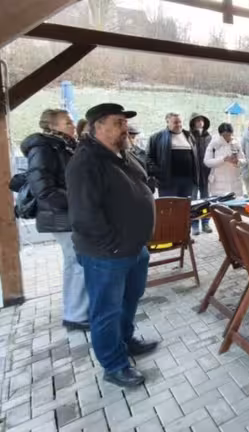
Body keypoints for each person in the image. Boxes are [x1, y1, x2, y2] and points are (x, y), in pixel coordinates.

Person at [66, 103, 158, 387]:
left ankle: (125, 341)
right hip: (107, 255)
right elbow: (85, 215)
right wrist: (113, 247)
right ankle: (114, 364)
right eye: (118, 123)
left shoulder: (122, 155)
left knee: (129, 300)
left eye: (125, 123)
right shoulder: (85, 162)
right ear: (98, 127)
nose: (125, 128)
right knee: (106, 310)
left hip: (134, 248)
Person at [21, 109, 88, 331]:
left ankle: (76, 310)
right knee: (77, 263)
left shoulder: (63, 146)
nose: (73, 125)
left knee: (75, 262)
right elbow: (44, 190)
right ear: (52, 126)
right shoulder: (43, 149)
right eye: (67, 122)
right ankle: (77, 315)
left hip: (69, 213)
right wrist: (81, 199)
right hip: (61, 216)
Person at [147, 113, 203, 234]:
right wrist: (158, 172)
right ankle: (169, 235)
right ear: (167, 122)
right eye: (175, 122)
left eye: (180, 122)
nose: (179, 125)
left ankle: (184, 236)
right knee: (168, 210)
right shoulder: (157, 137)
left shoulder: (189, 136)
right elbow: (148, 158)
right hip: (168, 182)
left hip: (188, 181)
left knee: (185, 210)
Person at [204, 123, 246, 196]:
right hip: (218, 184)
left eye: (229, 135)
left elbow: (244, 160)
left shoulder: (236, 143)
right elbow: (207, 162)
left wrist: (238, 161)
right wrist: (223, 159)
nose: (227, 137)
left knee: (236, 202)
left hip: (235, 183)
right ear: (220, 134)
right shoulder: (213, 144)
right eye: (225, 135)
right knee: (220, 202)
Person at [189, 113, 212, 234]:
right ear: (193, 122)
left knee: (206, 200)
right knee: (193, 201)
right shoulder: (188, 136)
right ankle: (194, 225)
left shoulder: (209, 137)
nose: (200, 122)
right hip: (192, 174)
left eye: (202, 120)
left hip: (205, 173)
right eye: (197, 120)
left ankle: (206, 223)